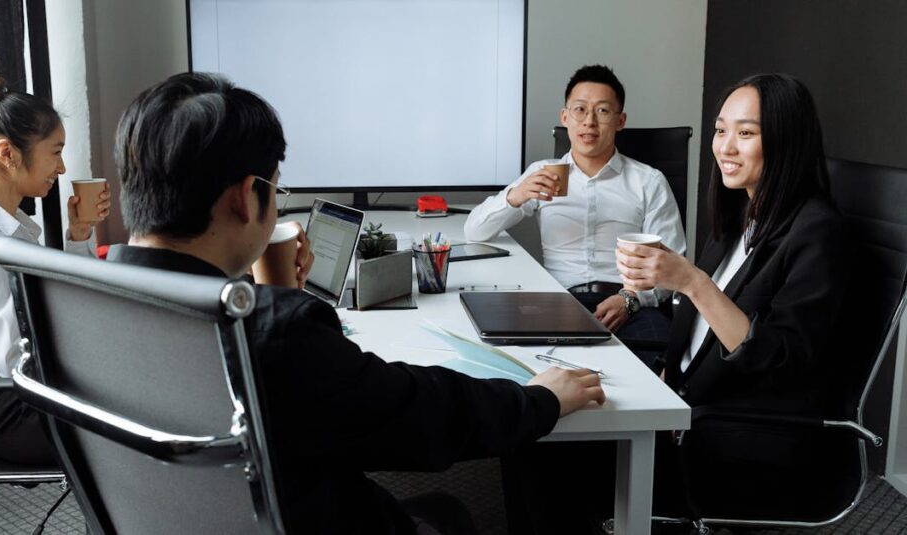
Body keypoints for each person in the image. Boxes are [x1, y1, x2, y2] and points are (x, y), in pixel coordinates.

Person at [108, 71, 607, 535]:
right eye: (277, 188)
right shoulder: (278, 332)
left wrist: (275, 303)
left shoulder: (85, 306)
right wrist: (537, 398)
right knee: (449, 514)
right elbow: (421, 416)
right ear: (245, 197)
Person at [505, 73, 850, 533]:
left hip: (733, 435)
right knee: (528, 427)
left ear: (788, 140)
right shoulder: (741, 219)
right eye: (721, 130)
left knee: (537, 445)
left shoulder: (815, 232)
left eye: (745, 133)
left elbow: (780, 361)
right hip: (685, 402)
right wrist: (669, 370)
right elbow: (694, 330)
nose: (725, 147)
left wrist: (691, 281)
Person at [0, 57, 111, 465]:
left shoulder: (10, 229)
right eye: (55, 153)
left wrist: (79, 233)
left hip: (37, 389)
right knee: (141, 419)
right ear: (8, 153)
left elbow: (56, 303)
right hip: (14, 411)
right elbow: (14, 357)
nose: (61, 168)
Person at [464, 65, 685, 363]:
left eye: (603, 111)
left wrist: (629, 299)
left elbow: (674, 266)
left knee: (666, 363)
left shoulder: (649, 181)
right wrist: (515, 196)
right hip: (559, 301)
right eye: (580, 110)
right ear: (565, 117)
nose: (589, 122)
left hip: (630, 304)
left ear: (620, 121)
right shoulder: (543, 173)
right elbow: (474, 231)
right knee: (523, 365)